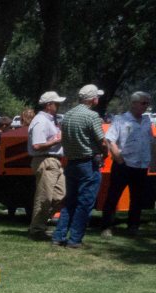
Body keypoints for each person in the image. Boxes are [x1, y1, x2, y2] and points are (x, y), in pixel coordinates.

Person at [53, 84, 107, 248]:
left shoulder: (68, 115)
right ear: (92, 99)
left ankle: (59, 236)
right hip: (88, 163)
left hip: (71, 163)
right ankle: (75, 239)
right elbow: (102, 142)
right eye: (97, 96)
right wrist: (105, 153)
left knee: (69, 201)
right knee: (85, 202)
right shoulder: (92, 117)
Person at [99, 91, 156, 237]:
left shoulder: (146, 120)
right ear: (134, 103)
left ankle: (133, 226)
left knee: (137, 198)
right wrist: (119, 159)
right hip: (123, 164)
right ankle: (106, 226)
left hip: (141, 165)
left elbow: (150, 140)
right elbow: (110, 140)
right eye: (144, 103)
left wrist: (152, 161)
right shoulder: (120, 119)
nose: (146, 106)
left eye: (147, 103)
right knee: (114, 196)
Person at [27, 91, 66, 240]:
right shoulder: (41, 121)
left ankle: (38, 224)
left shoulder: (50, 120)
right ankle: (37, 230)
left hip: (54, 160)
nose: (59, 105)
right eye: (56, 103)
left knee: (60, 196)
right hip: (45, 160)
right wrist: (56, 141)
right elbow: (37, 145)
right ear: (48, 105)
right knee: (44, 197)